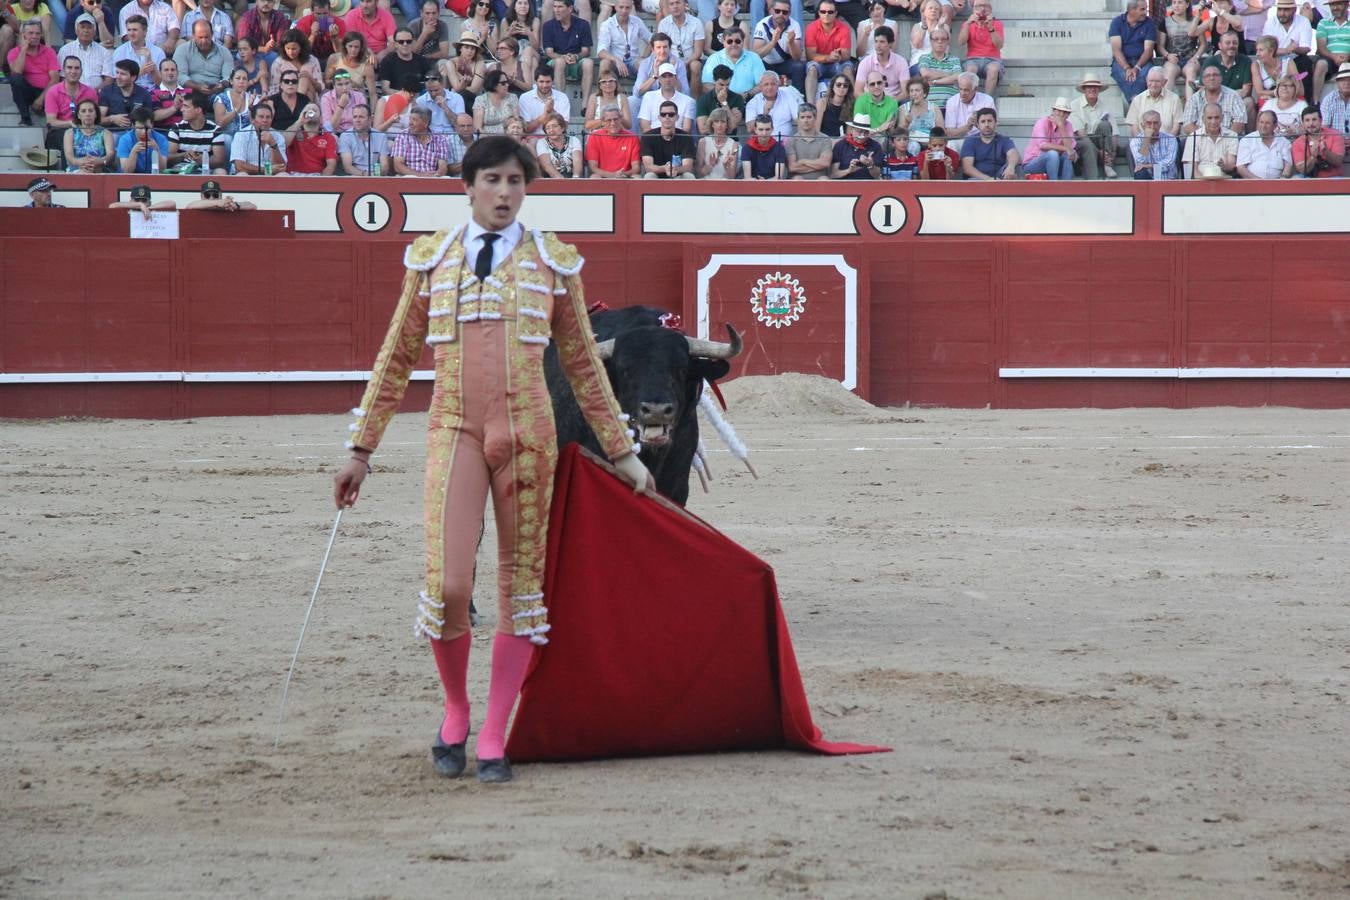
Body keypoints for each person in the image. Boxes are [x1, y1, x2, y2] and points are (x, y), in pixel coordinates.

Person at [333, 135, 653, 785]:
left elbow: (584, 366)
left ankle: (494, 731)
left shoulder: (553, 262)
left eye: (516, 181)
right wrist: (361, 450)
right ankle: (456, 709)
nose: (505, 193)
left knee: (521, 591)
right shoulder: (432, 258)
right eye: (493, 180)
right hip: (456, 429)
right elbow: (396, 356)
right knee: (449, 586)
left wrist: (622, 452)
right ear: (468, 186)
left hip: (529, 434)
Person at [1263, 0, 1325, 101]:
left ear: (1294, 10)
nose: (1282, 13)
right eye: (1280, 10)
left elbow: (1306, 48)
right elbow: (1266, 49)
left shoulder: (1303, 21)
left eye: (1286, 10)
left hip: (1296, 59)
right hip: (1276, 60)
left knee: (1305, 62)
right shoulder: (1270, 22)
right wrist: (1287, 50)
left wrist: (1295, 49)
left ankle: (1306, 101)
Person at [44, 56, 99, 164]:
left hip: (86, 129)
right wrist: (70, 123)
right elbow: (51, 122)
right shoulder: (53, 91)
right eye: (69, 68)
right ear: (63, 70)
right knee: (68, 137)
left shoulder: (90, 92)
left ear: (81, 71)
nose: (73, 71)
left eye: (77, 68)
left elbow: (96, 117)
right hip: (60, 131)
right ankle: (69, 171)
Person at [7, 20, 59, 127]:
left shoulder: (49, 52)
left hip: (46, 92)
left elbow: (55, 79)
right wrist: (23, 50)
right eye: (30, 33)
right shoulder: (14, 52)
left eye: (37, 33)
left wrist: (41, 99)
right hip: (27, 92)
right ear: (23, 35)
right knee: (16, 78)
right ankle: (25, 118)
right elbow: (17, 72)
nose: (34, 36)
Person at [1069, 73, 1119, 179]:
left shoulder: (1105, 106)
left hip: (1101, 142)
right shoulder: (1074, 105)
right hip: (1082, 142)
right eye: (1089, 87)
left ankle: (1108, 164)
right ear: (1084, 89)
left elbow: (1114, 133)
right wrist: (1100, 152)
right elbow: (1081, 134)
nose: (1092, 89)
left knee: (1105, 125)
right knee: (1088, 146)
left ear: (1099, 89)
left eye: (1095, 86)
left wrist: (1112, 154)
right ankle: (1093, 180)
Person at [543, 0, 595, 101]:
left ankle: (585, 105)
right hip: (556, 61)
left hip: (576, 60)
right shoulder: (548, 26)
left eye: (560, 7)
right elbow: (549, 52)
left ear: (570, 9)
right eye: (554, 7)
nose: (556, 10)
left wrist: (576, 56)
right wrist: (563, 57)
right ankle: (561, 102)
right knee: (560, 62)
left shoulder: (583, 24)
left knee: (589, 63)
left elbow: (586, 50)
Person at [803, 0, 852, 102]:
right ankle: (810, 105)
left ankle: (852, 102)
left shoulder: (844, 28)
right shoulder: (811, 28)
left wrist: (839, 57)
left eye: (830, 12)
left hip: (837, 62)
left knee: (847, 68)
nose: (826, 14)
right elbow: (810, 56)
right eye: (823, 11)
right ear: (819, 13)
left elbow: (847, 55)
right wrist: (828, 58)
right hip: (819, 63)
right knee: (812, 69)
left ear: (835, 13)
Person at [752, 0, 806, 92]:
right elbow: (756, 55)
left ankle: (797, 96)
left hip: (784, 63)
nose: (781, 14)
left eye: (785, 12)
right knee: (753, 66)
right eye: (777, 11)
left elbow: (797, 58)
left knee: (799, 66)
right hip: (765, 64)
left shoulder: (794, 25)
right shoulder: (762, 25)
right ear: (771, 11)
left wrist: (791, 43)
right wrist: (773, 42)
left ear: (789, 13)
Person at [167, 90, 226, 173]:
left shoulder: (215, 130)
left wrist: (204, 160)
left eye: (186, 106)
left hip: (206, 170)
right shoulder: (176, 128)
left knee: (221, 171)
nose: (181, 110)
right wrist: (183, 155)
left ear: (198, 110)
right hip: (181, 171)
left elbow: (219, 161)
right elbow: (168, 157)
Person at [1109, 0, 1157, 102]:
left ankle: (1134, 104)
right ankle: (1139, 105)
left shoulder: (1149, 23)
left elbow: (1148, 50)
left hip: (1143, 62)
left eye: (1146, 9)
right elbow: (1116, 49)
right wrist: (1127, 68)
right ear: (1131, 10)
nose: (1145, 12)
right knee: (1126, 77)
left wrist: (1137, 67)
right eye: (1142, 9)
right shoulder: (1117, 22)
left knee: (1143, 76)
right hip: (1122, 62)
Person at [1182, 63, 1250, 133]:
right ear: (1203, 80)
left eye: (1215, 75)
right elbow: (1188, 124)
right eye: (1208, 76)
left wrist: (1225, 137)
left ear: (1221, 78)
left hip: (1228, 138)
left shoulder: (1234, 96)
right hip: (1200, 138)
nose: (1212, 78)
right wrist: (1203, 138)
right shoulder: (1194, 99)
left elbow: (1240, 122)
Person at [1022, 96, 1076, 180]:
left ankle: (1067, 186)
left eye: (1065, 112)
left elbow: (1070, 149)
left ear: (1068, 115)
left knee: (1067, 155)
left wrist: (1061, 126)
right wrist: (1065, 148)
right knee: (1052, 154)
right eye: (1059, 111)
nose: (1061, 114)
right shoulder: (1042, 122)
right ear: (1053, 111)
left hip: (1056, 162)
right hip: (1033, 163)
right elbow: (1043, 145)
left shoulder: (1068, 125)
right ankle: (1053, 185)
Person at [701, 26, 766, 96]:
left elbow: (762, 83)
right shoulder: (714, 58)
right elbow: (707, 85)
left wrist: (747, 94)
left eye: (737, 41)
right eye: (729, 41)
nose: (734, 44)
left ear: (743, 42)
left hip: (749, 99)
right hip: (721, 100)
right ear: (724, 42)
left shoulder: (754, 57)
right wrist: (731, 98)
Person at [1157, 0, 1203, 97]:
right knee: (1170, 71)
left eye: (1180, 2)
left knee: (1191, 71)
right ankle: (1165, 103)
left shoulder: (1196, 21)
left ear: (1187, 4)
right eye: (1174, 3)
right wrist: (1167, 55)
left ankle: (1190, 103)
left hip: (1190, 59)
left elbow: (1203, 44)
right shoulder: (1165, 22)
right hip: (1172, 59)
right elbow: (1160, 46)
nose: (1176, 6)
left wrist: (1196, 57)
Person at [640, 98, 697, 176]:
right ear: (659, 117)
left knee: (689, 175)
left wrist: (675, 169)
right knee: (649, 175)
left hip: (678, 176)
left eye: (671, 114)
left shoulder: (686, 137)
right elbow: (648, 167)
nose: (667, 117)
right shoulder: (648, 137)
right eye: (663, 114)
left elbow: (688, 167)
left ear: (677, 117)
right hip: (656, 177)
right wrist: (665, 168)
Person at [656, 0, 704, 92]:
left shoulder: (696, 23)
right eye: (672, 4)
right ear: (668, 7)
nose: (675, 6)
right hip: (670, 60)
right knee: (661, 63)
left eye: (678, 2)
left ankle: (694, 99)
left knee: (696, 65)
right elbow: (661, 48)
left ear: (685, 4)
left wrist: (684, 63)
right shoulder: (664, 23)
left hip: (690, 61)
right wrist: (673, 63)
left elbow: (698, 52)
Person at [1181, 101, 1240, 176]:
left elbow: (1231, 165)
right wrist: (1202, 182)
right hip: (1200, 180)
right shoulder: (1193, 137)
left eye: (1216, 117)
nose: (1213, 122)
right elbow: (1193, 169)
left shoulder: (1232, 135)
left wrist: (1225, 167)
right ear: (1203, 119)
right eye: (1209, 118)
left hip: (1224, 180)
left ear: (1222, 118)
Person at [174, 20, 232, 96]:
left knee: (230, 92)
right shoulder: (182, 50)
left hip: (217, 92)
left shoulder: (224, 52)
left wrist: (222, 85)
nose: (204, 41)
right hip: (191, 92)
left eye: (206, 37)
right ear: (193, 35)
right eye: (200, 37)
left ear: (212, 34)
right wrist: (197, 87)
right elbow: (180, 75)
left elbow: (228, 76)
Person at [230, 99, 288, 173]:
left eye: (268, 117)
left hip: (270, 176)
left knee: (283, 175)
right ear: (252, 120)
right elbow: (239, 166)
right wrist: (266, 170)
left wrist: (273, 145)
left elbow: (281, 167)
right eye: (261, 117)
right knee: (242, 174)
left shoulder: (278, 136)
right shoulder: (241, 135)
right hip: (247, 176)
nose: (265, 120)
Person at [958, 0, 1002, 97]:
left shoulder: (997, 23)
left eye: (985, 6)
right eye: (978, 6)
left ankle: (987, 100)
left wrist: (991, 28)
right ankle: (971, 99)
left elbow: (999, 45)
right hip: (973, 59)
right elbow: (961, 42)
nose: (982, 9)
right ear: (973, 9)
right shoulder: (968, 24)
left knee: (993, 69)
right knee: (970, 69)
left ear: (990, 9)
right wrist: (968, 24)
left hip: (992, 59)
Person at [960, 105, 1017, 179]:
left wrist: (1011, 166)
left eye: (989, 121)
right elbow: (967, 168)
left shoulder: (1004, 140)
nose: (986, 125)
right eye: (983, 122)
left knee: (1014, 169)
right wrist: (988, 179)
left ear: (996, 123)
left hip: (1000, 178)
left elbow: (1013, 153)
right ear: (978, 125)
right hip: (977, 179)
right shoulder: (970, 140)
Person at [59, 13, 113, 90]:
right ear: (76, 30)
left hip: (97, 93)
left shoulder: (104, 52)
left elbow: (109, 79)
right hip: (72, 93)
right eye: (82, 27)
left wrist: (93, 93)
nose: (86, 30)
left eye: (89, 27)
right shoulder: (65, 50)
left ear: (94, 31)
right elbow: (62, 77)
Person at [391, 105, 450, 175]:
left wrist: (435, 176)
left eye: (414, 120)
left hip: (432, 178)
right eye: (410, 119)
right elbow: (398, 166)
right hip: (409, 178)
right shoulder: (402, 136)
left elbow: (443, 167)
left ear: (425, 123)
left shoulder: (440, 139)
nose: (410, 123)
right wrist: (420, 175)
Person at [111, 16, 165, 92]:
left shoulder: (158, 52)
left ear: (145, 31)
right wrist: (139, 72)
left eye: (135, 30)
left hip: (152, 92)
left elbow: (162, 84)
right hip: (128, 91)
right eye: (129, 30)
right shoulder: (119, 52)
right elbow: (118, 81)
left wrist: (153, 69)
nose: (131, 33)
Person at [586, 102, 642, 175]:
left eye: (615, 119)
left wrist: (622, 175)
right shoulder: (594, 136)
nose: (613, 123)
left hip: (626, 176)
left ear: (621, 119)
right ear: (602, 122)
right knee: (594, 177)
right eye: (609, 120)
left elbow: (636, 168)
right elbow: (593, 168)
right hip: (602, 176)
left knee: (637, 177)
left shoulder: (632, 138)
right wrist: (613, 175)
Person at [100, 59, 154, 135]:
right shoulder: (107, 91)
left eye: (123, 74)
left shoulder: (144, 94)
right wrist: (112, 119)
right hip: (112, 133)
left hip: (136, 134)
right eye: (117, 73)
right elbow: (99, 119)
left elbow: (149, 120)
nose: (118, 77)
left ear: (133, 77)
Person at [1126, 66, 1184, 135]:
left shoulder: (1174, 99)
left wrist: (1168, 140)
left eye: (1157, 81)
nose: (1153, 85)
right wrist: (1143, 141)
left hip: (1168, 140)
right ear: (1146, 80)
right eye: (1151, 81)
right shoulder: (1137, 100)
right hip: (1143, 140)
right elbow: (1134, 128)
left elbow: (1176, 127)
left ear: (1165, 82)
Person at [853, 23, 906, 99]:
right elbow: (857, 91)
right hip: (870, 101)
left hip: (893, 101)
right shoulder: (865, 62)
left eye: (882, 42)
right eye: (876, 41)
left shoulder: (901, 62)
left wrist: (890, 103)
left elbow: (905, 92)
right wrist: (872, 103)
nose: (878, 45)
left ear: (890, 44)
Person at [640, 60, 697, 131]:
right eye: (664, 76)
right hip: (654, 136)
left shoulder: (688, 101)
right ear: (659, 79)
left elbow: (686, 129)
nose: (667, 79)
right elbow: (644, 126)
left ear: (675, 78)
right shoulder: (648, 97)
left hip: (678, 137)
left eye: (670, 76)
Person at [1236, 107, 1294, 174]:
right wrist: (1257, 180)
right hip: (1252, 180)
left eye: (1267, 123)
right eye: (1261, 122)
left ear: (1275, 125)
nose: (1263, 126)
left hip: (1277, 180)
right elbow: (1241, 168)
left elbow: (1288, 165)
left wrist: (1283, 179)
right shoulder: (1247, 140)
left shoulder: (1284, 142)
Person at [272, 28, 326, 99]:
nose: (290, 52)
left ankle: (299, 103)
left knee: (304, 79)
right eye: (288, 48)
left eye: (294, 49)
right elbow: (274, 89)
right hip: (286, 98)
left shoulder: (312, 61)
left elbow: (320, 88)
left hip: (311, 97)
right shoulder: (278, 63)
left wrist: (310, 78)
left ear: (301, 48)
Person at [1291, 104, 1345, 174]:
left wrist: (1325, 152)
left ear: (1321, 120)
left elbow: (1338, 162)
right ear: (1303, 123)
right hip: (1308, 178)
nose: (1311, 123)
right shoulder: (1297, 143)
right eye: (1307, 120)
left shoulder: (1335, 135)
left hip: (1333, 177)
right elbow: (1302, 170)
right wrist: (1313, 157)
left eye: (1314, 119)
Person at [376, 27, 432, 95]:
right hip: (396, 97)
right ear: (395, 44)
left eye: (408, 41)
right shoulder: (387, 61)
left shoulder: (422, 60)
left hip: (418, 98)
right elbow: (385, 89)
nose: (405, 44)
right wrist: (406, 95)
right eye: (401, 42)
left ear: (412, 43)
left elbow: (430, 84)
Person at [64, 98, 114, 172]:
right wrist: (82, 163)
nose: (87, 114)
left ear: (96, 114)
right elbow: (69, 157)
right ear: (78, 115)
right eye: (83, 111)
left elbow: (110, 155)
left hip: (100, 168)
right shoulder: (70, 133)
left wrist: (100, 161)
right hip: (76, 169)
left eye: (91, 111)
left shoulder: (106, 133)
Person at [915, 26, 960, 107]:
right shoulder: (924, 58)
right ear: (931, 41)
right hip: (929, 106)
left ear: (947, 41)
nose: (940, 42)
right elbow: (925, 74)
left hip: (951, 106)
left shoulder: (954, 59)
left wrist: (934, 81)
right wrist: (948, 75)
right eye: (936, 39)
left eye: (943, 39)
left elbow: (957, 77)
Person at [339, 102, 389, 173]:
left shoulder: (381, 136)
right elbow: (347, 167)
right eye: (355, 117)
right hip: (355, 175)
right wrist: (365, 175)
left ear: (370, 119)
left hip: (376, 175)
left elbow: (384, 166)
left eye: (361, 117)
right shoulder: (345, 136)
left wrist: (374, 175)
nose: (357, 120)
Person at [829, 110, 882, 176]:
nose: (862, 136)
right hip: (845, 182)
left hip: (867, 181)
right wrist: (848, 171)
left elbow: (877, 176)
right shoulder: (840, 145)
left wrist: (870, 165)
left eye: (866, 132)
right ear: (852, 130)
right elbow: (833, 174)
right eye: (859, 131)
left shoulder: (875, 146)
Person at [1129, 109, 1179, 178]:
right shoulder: (1135, 141)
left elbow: (1169, 163)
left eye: (1155, 123)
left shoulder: (1170, 139)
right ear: (1142, 125)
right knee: (1140, 173)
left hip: (1168, 179)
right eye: (1148, 123)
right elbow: (1140, 161)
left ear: (1160, 125)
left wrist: (1150, 166)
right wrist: (1147, 139)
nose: (1152, 127)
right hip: (1146, 177)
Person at [786, 102, 832, 177]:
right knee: (797, 179)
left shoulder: (825, 139)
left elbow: (825, 163)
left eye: (809, 117)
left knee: (824, 179)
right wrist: (817, 165)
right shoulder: (792, 140)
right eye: (802, 117)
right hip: (798, 178)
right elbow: (792, 167)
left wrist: (803, 161)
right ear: (798, 119)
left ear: (815, 118)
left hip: (820, 178)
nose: (805, 120)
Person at [519, 70, 572, 135]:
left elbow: (564, 126)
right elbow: (526, 129)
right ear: (535, 82)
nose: (545, 85)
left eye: (548, 82)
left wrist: (552, 111)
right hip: (533, 137)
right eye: (541, 82)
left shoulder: (562, 97)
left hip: (555, 136)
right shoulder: (525, 97)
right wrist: (545, 114)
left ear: (552, 81)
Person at [116, 107, 169, 172]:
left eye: (147, 128)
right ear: (133, 126)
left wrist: (157, 150)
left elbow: (162, 170)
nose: (144, 132)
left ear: (152, 125)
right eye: (140, 128)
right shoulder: (125, 140)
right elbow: (126, 171)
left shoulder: (161, 139)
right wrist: (134, 152)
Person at [942, 70, 992, 138]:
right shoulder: (952, 101)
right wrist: (967, 127)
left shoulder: (987, 100)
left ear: (975, 89)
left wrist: (978, 124)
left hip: (981, 139)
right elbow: (950, 133)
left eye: (966, 90)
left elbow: (991, 129)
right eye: (960, 89)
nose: (962, 93)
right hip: (959, 139)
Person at [266, 63, 315, 132]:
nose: (290, 83)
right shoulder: (272, 101)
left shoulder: (305, 99)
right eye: (286, 81)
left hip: (302, 135)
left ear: (297, 84)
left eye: (294, 81)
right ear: (281, 85)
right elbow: (267, 124)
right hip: (279, 134)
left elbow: (311, 121)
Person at [897, 75, 940, 152]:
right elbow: (899, 135)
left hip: (930, 144)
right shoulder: (903, 108)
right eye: (911, 91)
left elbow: (941, 132)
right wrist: (907, 124)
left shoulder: (934, 108)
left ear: (925, 93)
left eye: (917, 90)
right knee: (914, 146)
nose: (914, 94)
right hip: (911, 144)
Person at [327, 31, 376, 97]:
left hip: (357, 98)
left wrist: (355, 85)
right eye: (350, 46)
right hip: (336, 96)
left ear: (361, 48)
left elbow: (373, 94)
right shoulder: (334, 58)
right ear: (345, 46)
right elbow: (326, 81)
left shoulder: (366, 66)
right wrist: (339, 82)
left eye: (356, 47)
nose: (353, 50)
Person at [854, 69, 899, 141]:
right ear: (867, 86)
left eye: (879, 83)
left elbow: (889, 128)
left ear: (884, 83)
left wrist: (876, 131)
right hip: (863, 138)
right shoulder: (861, 100)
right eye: (872, 84)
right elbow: (859, 130)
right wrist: (878, 129)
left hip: (883, 138)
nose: (876, 86)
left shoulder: (892, 102)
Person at [696, 104, 740, 176]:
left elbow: (732, 177)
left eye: (723, 121)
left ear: (727, 124)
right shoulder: (703, 142)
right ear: (712, 124)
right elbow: (698, 174)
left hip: (725, 182)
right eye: (716, 121)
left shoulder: (734, 144)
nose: (720, 125)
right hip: (706, 181)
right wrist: (710, 166)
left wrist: (726, 166)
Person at [474, 69, 521, 134]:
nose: (507, 85)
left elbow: (517, 122)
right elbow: (478, 127)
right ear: (493, 84)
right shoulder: (481, 100)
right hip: (487, 137)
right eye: (503, 83)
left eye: (507, 82)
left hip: (509, 136)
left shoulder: (512, 97)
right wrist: (486, 138)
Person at [444, 34, 488, 103]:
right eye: (466, 47)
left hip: (474, 99)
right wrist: (463, 83)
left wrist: (461, 84)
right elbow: (456, 87)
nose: (470, 51)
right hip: (455, 99)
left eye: (473, 48)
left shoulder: (480, 64)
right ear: (460, 48)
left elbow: (474, 89)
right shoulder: (451, 63)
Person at [741, 112, 788, 176]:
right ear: (755, 130)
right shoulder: (747, 148)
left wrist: (765, 181)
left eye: (767, 129)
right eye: (761, 129)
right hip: (753, 182)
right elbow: (747, 178)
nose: (764, 133)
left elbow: (778, 178)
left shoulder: (779, 148)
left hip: (772, 182)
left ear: (772, 129)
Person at [1316, 0, 1350, 87]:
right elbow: (1321, 47)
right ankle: (1315, 96)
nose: (1335, 7)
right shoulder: (1323, 22)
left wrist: (1348, 56)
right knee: (1320, 64)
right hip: (1330, 58)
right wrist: (1334, 56)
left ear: (1347, 5)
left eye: (1338, 4)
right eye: (1332, 5)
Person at [536, 111, 581, 176]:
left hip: (572, 179)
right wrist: (560, 180)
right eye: (547, 128)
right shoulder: (542, 142)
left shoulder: (574, 140)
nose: (551, 130)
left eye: (554, 126)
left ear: (562, 128)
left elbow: (577, 162)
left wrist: (575, 178)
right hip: (550, 179)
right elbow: (547, 165)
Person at [149, 58, 189, 128]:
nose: (170, 72)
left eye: (173, 70)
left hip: (185, 131)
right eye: (166, 70)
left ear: (177, 72)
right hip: (163, 132)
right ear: (160, 73)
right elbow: (155, 116)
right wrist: (175, 107)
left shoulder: (189, 92)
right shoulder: (153, 93)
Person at [185, 179, 259, 209]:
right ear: (201, 196)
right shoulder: (197, 206)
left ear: (220, 195)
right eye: (207, 195)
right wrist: (217, 202)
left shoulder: (225, 205)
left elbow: (253, 206)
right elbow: (189, 206)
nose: (211, 198)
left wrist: (236, 205)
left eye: (215, 195)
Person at [109, 183, 176, 216]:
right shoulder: (126, 210)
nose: (141, 202)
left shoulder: (152, 209)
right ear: (130, 201)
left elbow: (172, 204)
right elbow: (112, 206)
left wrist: (148, 208)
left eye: (144, 200)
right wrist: (140, 205)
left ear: (149, 202)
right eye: (137, 200)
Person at [1321, 61, 1350, 136]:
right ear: (1337, 82)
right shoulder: (1329, 100)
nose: (1347, 83)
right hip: (1334, 141)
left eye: (1349, 79)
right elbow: (1325, 128)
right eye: (1343, 80)